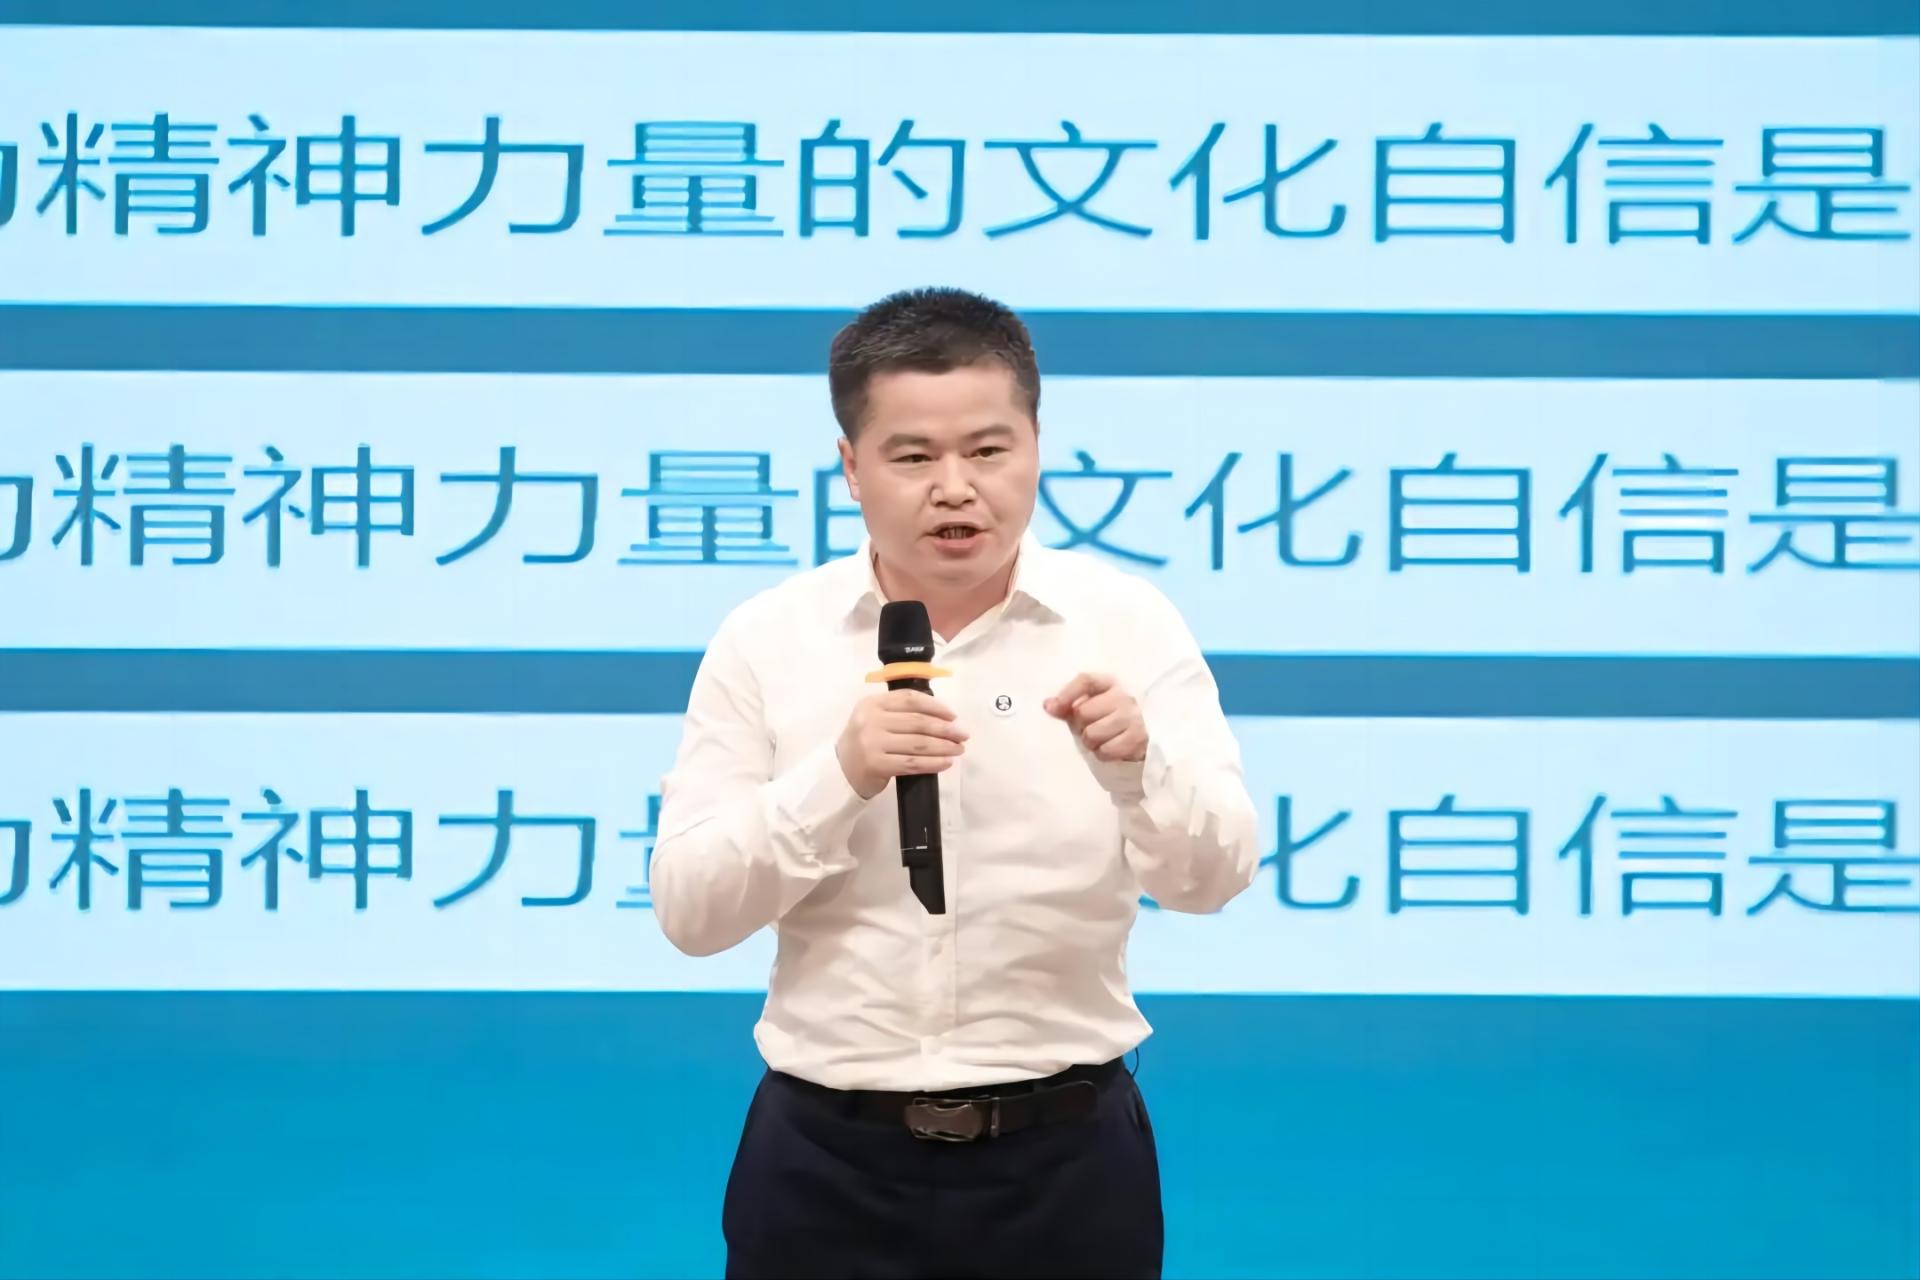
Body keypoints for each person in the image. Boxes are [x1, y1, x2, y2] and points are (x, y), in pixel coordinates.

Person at [649, 286, 1260, 1280]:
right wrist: (839, 774)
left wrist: (1138, 770)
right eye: (913, 457)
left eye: (987, 450)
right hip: (825, 1164)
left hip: (1066, 1164)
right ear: (851, 467)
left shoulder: (1125, 623)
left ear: (1036, 446)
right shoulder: (768, 638)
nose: (955, 488)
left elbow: (1215, 877)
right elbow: (691, 911)